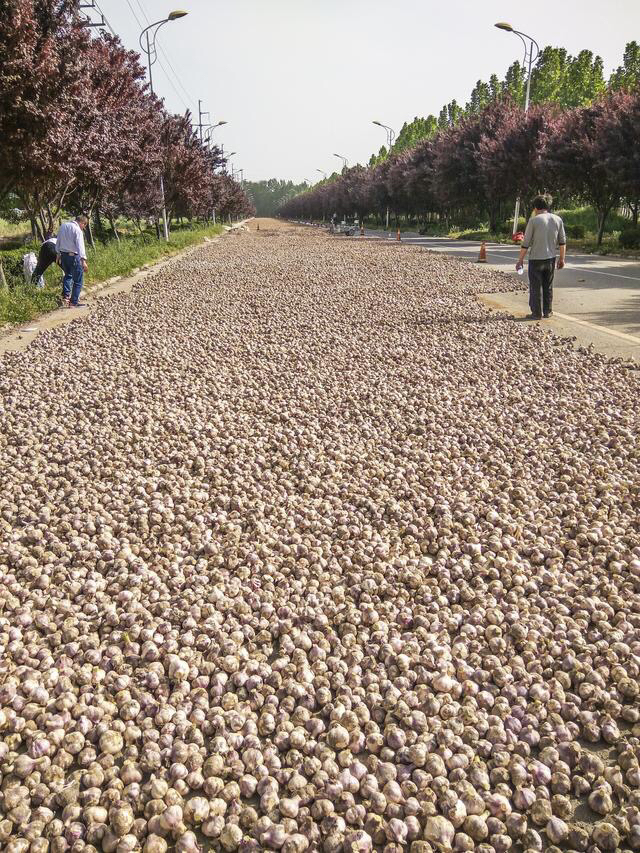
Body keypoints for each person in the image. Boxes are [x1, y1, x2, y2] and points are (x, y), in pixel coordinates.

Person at [515, 195, 566, 320]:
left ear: (535, 207)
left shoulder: (534, 221)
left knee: (535, 286)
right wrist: (562, 259)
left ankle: (536, 313)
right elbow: (562, 242)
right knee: (548, 285)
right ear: (548, 206)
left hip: (536, 259)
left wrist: (520, 260)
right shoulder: (558, 219)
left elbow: (525, 243)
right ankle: (548, 311)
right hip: (550, 259)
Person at [56, 214, 89, 308]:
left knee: (68, 275)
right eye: (84, 225)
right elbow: (80, 246)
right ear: (82, 222)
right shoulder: (77, 230)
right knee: (78, 280)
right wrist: (83, 261)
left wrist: (58, 254)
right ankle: (74, 302)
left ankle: (66, 296)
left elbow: (58, 240)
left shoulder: (63, 226)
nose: (84, 227)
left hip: (63, 255)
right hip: (74, 256)